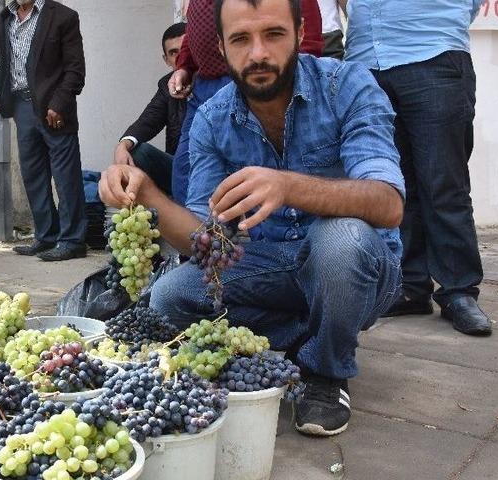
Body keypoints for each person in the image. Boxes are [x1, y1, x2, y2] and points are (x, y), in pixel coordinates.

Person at [100, 0, 404, 436]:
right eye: (241, 39)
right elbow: (203, 242)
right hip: (268, 263)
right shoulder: (212, 117)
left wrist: (288, 186)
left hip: (356, 267)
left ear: (300, 34)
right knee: (169, 295)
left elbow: (389, 204)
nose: (258, 53)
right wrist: (147, 193)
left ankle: (326, 371)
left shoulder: (348, 86)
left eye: (274, 34)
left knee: (342, 240)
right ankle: (307, 335)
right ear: (221, 48)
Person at [345, 1, 492, 336]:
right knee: (394, 187)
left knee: (444, 185)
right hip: (367, 62)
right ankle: (410, 286)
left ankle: (459, 290)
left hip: (432, 49)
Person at [167, 0, 324, 206]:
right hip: (205, 85)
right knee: (186, 170)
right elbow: (193, 29)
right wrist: (184, 66)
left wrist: (292, 77)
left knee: (262, 169)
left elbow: (301, 25)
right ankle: (196, 235)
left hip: (256, 78)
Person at [0, 0, 87, 262]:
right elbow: (4, 64)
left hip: (53, 107)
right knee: (33, 174)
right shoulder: (6, 19)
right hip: (21, 105)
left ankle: (72, 240)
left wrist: (60, 103)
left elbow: (75, 69)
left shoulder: (63, 16)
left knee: (65, 177)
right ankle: (46, 235)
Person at [113, 22, 188, 197]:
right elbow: (148, 121)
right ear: (166, 60)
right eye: (173, 52)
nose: (181, 56)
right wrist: (122, 145)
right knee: (136, 151)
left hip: (214, 172)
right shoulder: (166, 85)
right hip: (179, 170)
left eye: (185, 48)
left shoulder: (214, 81)